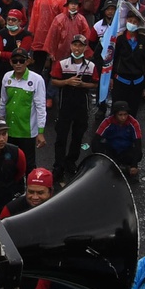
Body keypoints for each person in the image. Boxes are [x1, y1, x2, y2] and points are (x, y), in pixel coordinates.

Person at [50, 34, 97, 180]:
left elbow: (95, 84)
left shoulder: (91, 66)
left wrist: (83, 85)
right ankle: (58, 165)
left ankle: (71, 161)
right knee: (61, 137)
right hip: (65, 105)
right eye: (75, 45)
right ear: (71, 46)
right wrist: (67, 82)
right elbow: (53, 81)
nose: (77, 48)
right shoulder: (62, 64)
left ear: (85, 47)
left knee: (78, 136)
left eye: (80, 45)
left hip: (82, 106)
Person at [0, 49, 47, 170]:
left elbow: (41, 107)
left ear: (27, 62)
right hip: (9, 130)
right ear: (11, 62)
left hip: (27, 132)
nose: (18, 64)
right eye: (15, 61)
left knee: (28, 165)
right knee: (8, 163)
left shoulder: (37, 80)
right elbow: (3, 102)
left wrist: (40, 132)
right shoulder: (6, 77)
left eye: (21, 61)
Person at [94, 101, 144, 177]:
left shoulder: (134, 123)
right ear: (115, 114)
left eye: (125, 114)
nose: (123, 117)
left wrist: (134, 165)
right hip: (111, 149)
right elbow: (96, 139)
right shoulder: (107, 122)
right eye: (120, 115)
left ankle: (125, 166)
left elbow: (138, 143)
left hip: (125, 150)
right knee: (101, 148)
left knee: (138, 154)